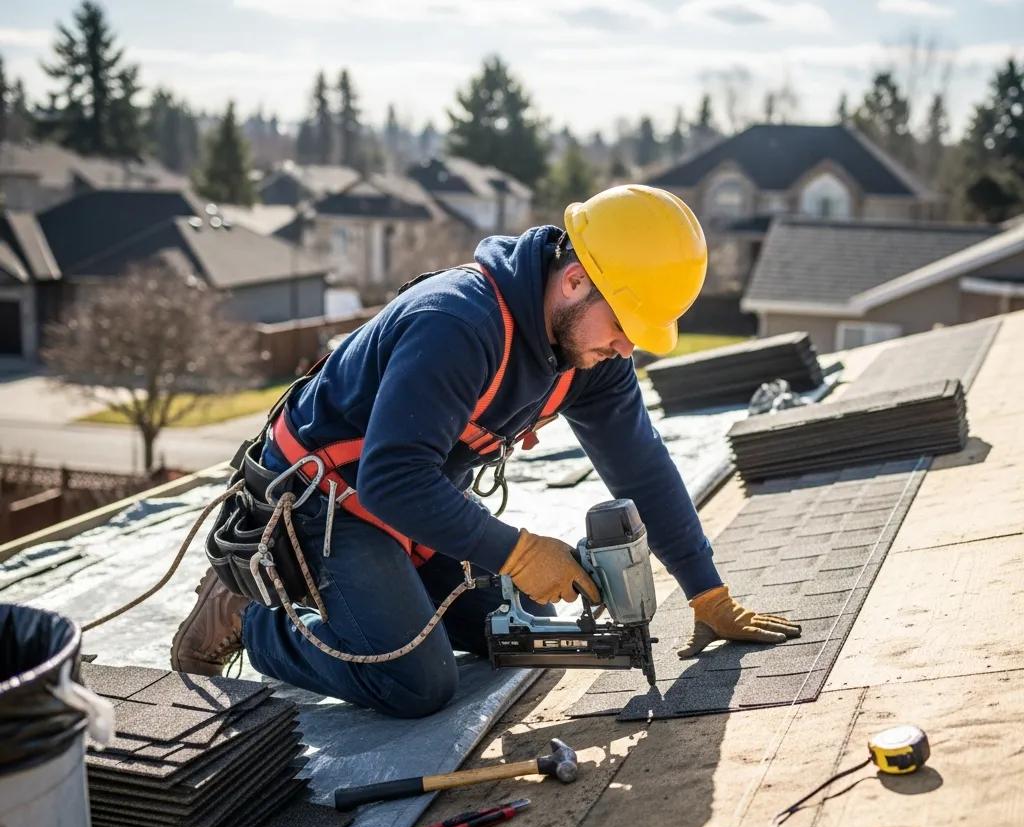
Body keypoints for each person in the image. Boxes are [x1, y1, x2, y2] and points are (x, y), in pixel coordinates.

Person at [171, 184, 799, 716]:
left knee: (518, 623)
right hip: (325, 500)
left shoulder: (588, 352)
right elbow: (391, 478)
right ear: (574, 281)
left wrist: (706, 592)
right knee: (416, 683)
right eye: (622, 326)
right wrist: (519, 552)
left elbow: (641, 466)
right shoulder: (457, 323)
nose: (626, 348)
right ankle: (250, 617)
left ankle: (391, 601)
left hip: (413, 498)